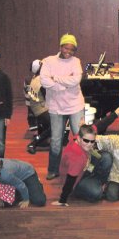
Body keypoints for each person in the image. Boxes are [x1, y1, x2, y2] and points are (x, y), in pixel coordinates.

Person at [40, 33, 85, 180]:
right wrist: (62, 86)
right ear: (60, 46)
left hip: (75, 104)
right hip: (56, 106)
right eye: (66, 48)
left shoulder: (76, 61)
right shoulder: (48, 61)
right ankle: (53, 169)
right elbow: (44, 81)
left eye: (72, 49)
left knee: (80, 137)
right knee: (56, 140)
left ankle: (82, 166)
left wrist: (56, 79)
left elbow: (76, 80)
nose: (69, 52)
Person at [51, 124, 113, 206]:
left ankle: (99, 182)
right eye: (86, 141)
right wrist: (62, 200)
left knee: (106, 157)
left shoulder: (83, 134)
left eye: (92, 141)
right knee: (96, 194)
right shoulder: (76, 158)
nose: (89, 144)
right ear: (79, 138)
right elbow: (70, 180)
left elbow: (99, 125)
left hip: (85, 168)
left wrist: (115, 114)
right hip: (75, 180)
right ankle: (84, 188)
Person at [24, 59, 51, 154]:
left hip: (37, 108)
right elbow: (48, 97)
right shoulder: (41, 80)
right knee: (56, 126)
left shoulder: (35, 79)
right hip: (41, 109)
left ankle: (37, 141)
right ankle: (34, 143)